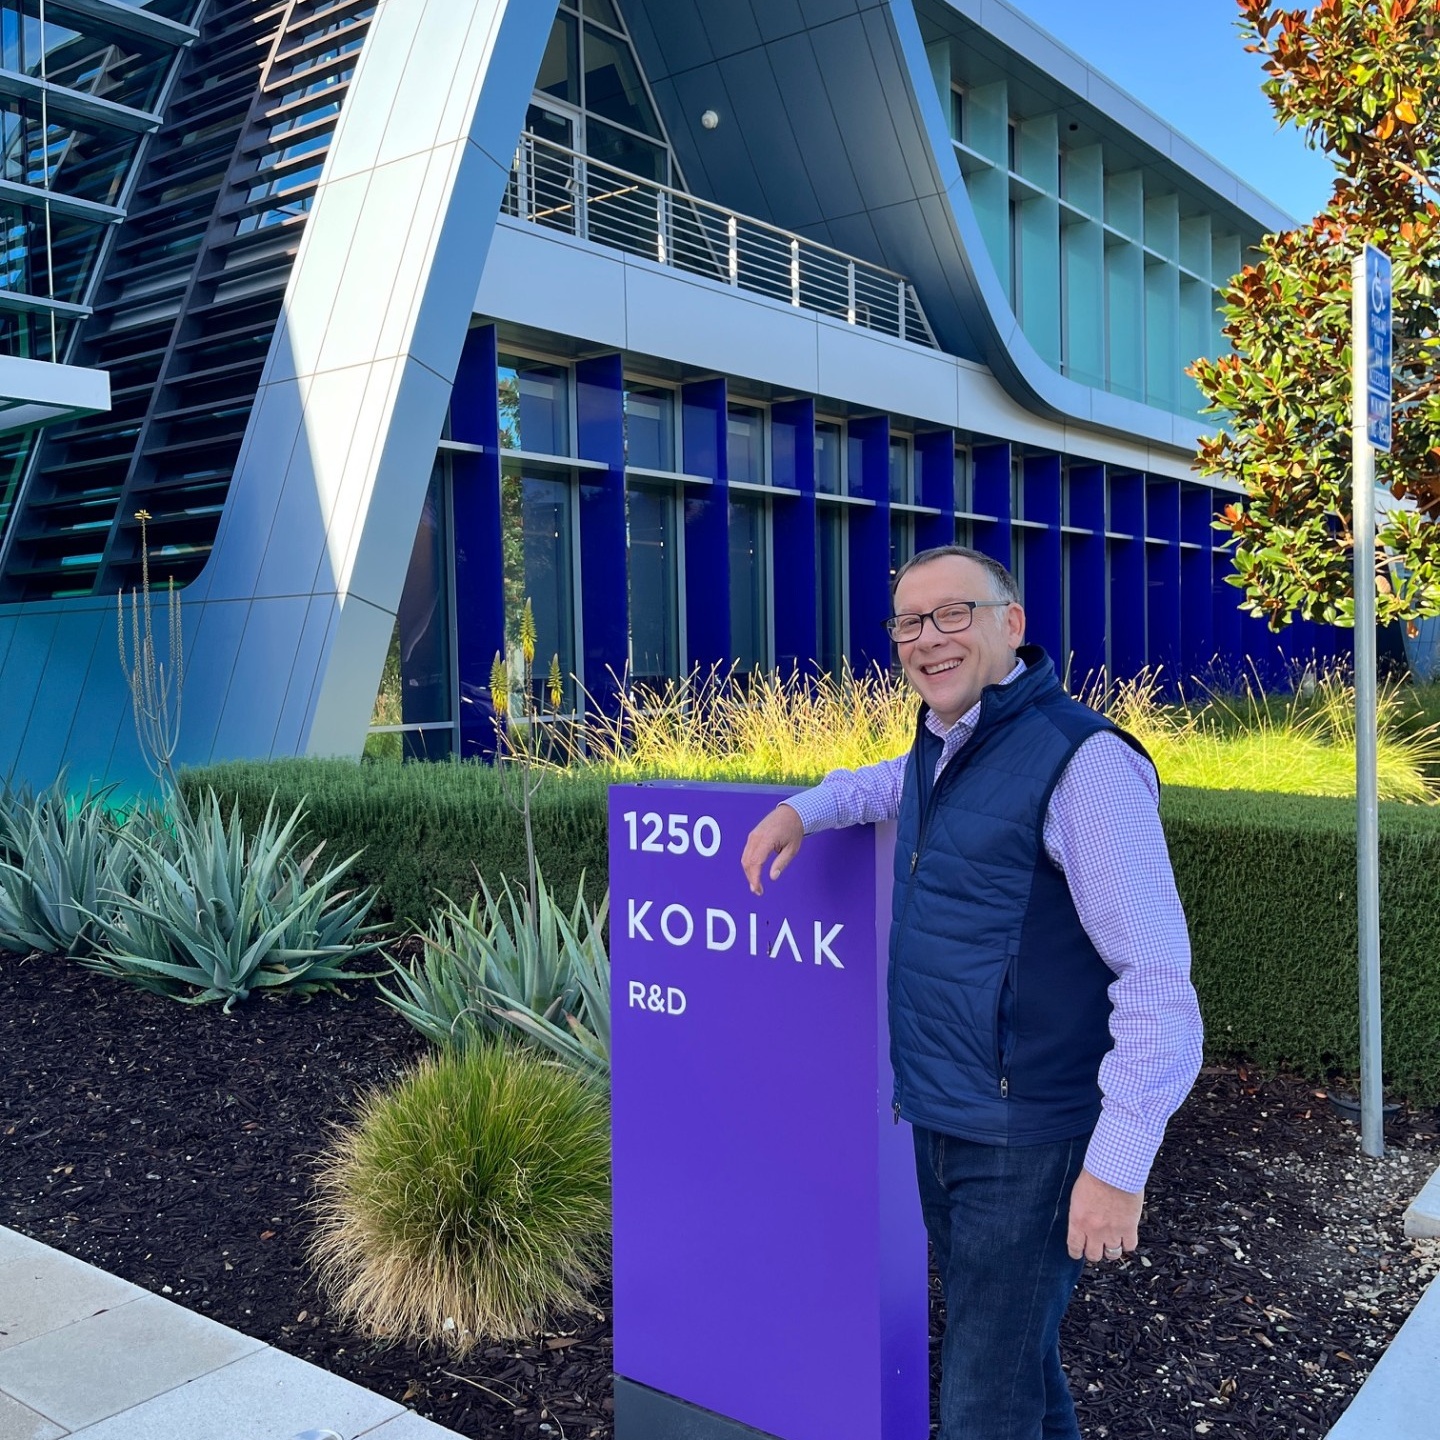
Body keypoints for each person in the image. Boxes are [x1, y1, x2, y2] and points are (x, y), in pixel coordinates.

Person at [740, 545, 1202, 1440]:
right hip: (948, 1116)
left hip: (1027, 1139)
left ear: (1011, 624)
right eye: (909, 622)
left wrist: (1118, 1167)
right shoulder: (947, 741)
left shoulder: (1084, 763)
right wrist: (804, 809)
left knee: (983, 1405)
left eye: (954, 613)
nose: (928, 638)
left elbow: (1157, 981)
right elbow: (890, 785)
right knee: (1017, 1361)